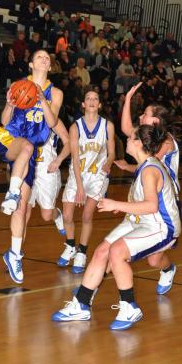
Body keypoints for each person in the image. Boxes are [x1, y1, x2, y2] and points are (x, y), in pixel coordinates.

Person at [52, 123, 181, 330]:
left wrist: (116, 205)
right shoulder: (144, 164)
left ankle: (129, 306)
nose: (127, 140)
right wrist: (123, 207)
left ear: (138, 144)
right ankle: (81, 304)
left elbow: (151, 206)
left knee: (117, 252)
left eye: (131, 138)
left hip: (161, 225)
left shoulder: (150, 170)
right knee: (102, 250)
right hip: (140, 220)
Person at [0, 50, 63, 282]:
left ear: (50, 67)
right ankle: (12, 193)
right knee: (25, 147)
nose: (45, 59)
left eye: (48, 58)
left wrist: (43, 101)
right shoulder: (18, 85)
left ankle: (14, 254)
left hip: (30, 152)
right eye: (40, 57)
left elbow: (52, 122)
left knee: (22, 210)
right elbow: (5, 120)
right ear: (32, 63)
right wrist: (9, 105)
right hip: (9, 139)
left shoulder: (55, 93)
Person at [57, 90, 115, 274]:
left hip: (97, 177)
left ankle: (81, 252)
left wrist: (108, 162)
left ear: (99, 105)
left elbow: (112, 152)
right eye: (88, 98)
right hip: (78, 175)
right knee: (67, 216)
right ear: (83, 104)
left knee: (86, 216)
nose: (91, 101)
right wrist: (80, 187)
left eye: (95, 99)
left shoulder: (108, 126)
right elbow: (74, 159)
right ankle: (70, 245)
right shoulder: (75, 127)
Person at [26, 119, 70, 238]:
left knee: (47, 216)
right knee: (23, 211)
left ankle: (57, 215)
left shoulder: (53, 119)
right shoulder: (24, 116)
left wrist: (58, 160)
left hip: (47, 171)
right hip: (28, 170)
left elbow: (69, 143)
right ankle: (16, 250)